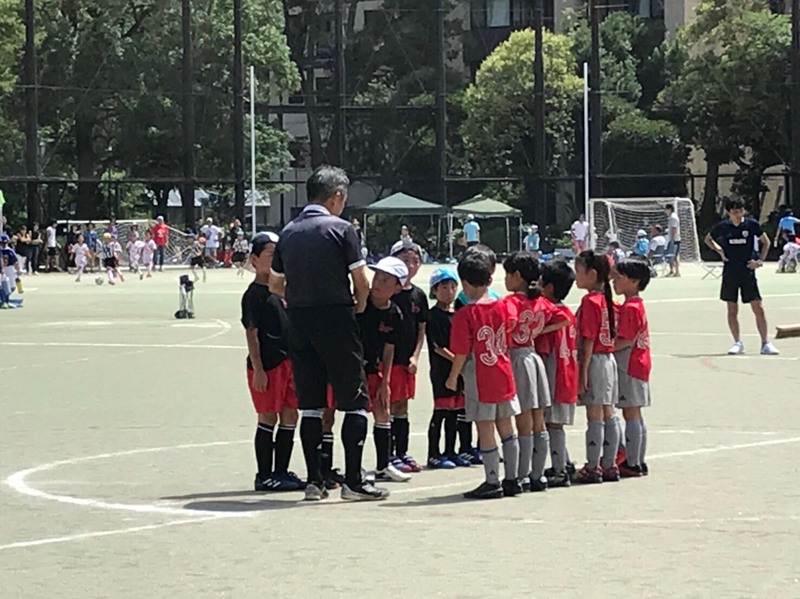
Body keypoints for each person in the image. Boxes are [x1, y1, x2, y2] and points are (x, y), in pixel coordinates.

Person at [269, 165, 388, 502]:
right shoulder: (341, 229)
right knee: (353, 400)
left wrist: (298, 295)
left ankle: (315, 482)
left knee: (310, 404)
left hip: (299, 320)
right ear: (336, 197)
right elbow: (361, 280)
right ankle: (353, 481)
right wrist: (359, 304)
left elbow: (276, 284)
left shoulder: (288, 232)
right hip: (336, 317)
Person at [446, 248, 521, 499]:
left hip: (480, 375)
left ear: (465, 282)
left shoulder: (465, 313)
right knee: (507, 427)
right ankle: (513, 477)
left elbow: (460, 350)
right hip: (503, 370)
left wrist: (453, 376)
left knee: (485, 428)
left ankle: (492, 481)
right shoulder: (503, 306)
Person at [241, 232, 303, 492]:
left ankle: (281, 471)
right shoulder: (253, 295)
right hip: (267, 365)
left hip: (289, 362)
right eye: (270, 254)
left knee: (291, 414)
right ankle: (264, 474)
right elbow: (251, 333)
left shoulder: (284, 291)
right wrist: (258, 368)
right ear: (255, 260)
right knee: (268, 417)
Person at [502, 252, 566, 493]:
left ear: (516, 276)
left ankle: (521, 475)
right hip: (534, 357)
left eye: (508, 274)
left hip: (517, 357)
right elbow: (565, 318)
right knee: (538, 419)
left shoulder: (511, 302)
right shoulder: (541, 302)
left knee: (524, 420)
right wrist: (538, 330)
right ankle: (537, 475)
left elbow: (507, 324)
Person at [359, 257, 412, 483]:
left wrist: (385, 382)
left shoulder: (395, 314)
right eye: (376, 277)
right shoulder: (360, 303)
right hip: (351, 368)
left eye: (385, 279)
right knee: (343, 415)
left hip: (373, 368)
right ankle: (347, 467)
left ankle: (383, 466)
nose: (377, 283)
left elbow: (388, 349)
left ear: (398, 286)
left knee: (382, 412)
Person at [705, 197, 779, 356]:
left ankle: (765, 343)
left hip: (747, 270)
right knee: (732, 308)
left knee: (758, 307)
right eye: (734, 212)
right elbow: (708, 239)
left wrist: (759, 261)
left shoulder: (751, 225)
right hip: (730, 270)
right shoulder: (723, 227)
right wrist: (720, 251)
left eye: (739, 211)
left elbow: (766, 242)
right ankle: (737, 342)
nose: (737, 215)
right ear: (728, 213)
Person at [572, 250, 619, 485]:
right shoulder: (605, 299)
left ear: (592, 274)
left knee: (595, 415)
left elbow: (588, 338)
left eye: (578, 271)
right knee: (608, 411)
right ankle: (609, 463)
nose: (575, 276)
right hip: (609, 359)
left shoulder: (590, 300)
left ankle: (593, 466)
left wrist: (583, 372)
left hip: (597, 360)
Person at [537, 259, 578, 488]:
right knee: (556, 423)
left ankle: (560, 470)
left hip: (555, 376)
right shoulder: (566, 313)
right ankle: (564, 461)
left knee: (552, 424)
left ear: (549, 287)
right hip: (567, 374)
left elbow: (543, 349)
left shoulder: (551, 314)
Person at [388, 240, 428, 474]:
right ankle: (389, 454)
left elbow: (421, 329)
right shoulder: (387, 293)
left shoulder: (418, 296)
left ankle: (402, 451)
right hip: (387, 361)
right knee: (388, 405)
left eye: (415, 261)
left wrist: (415, 357)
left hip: (406, 362)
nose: (411, 265)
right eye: (405, 260)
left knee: (402, 406)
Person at [425, 267, 471, 469]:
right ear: (434, 290)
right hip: (442, 370)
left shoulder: (458, 314)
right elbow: (438, 346)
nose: (449, 291)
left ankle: (451, 451)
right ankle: (433, 453)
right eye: (444, 287)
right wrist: (457, 361)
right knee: (441, 411)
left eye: (453, 287)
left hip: (459, 369)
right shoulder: (433, 316)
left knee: (455, 412)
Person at [613, 258, 652, 478]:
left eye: (619, 277)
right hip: (640, 362)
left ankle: (632, 461)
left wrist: (606, 349)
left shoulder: (631, 307)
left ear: (634, 281)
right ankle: (637, 459)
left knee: (630, 412)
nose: (614, 281)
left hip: (630, 363)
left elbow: (625, 339)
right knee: (634, 412)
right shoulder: (634, 305)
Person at [665, 203, 681, 277]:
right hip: (671, 239)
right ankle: (671, 270)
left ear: (670, 209)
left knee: (674, 255)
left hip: (674, 240)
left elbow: (674, 228)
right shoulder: (671, 217)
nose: (665, 211)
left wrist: (672, 239)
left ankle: (677, 271)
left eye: (666, 209)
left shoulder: (673, 218)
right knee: (670, 255)